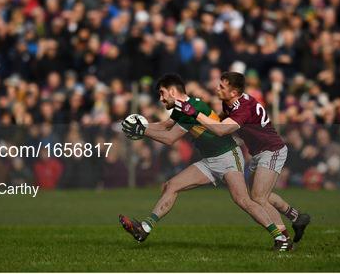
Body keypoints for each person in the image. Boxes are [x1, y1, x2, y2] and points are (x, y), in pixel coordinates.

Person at [120, 74, 293, 251]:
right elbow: (165, 126)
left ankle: (280, 238)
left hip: (227, 155)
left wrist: (142, 130)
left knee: (243, 200)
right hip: (210, 160)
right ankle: (144, 229)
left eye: (162, 93)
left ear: (172, 91)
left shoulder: (193, 107)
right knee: (171, 185)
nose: (161, 98)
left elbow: (170, 138)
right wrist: (139, 126)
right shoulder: (185, 107)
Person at [175, 71, 311, 244]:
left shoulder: (242, 107)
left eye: (222, 87)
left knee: (259, 198)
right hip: (259, 152)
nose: (217, 88)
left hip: (272, 150)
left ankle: (284, 239)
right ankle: (297, 218)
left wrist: (194, 113)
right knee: (260, 196)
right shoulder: (230, 102)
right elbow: (222, 121)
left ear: (234, 92)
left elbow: (221, 129)